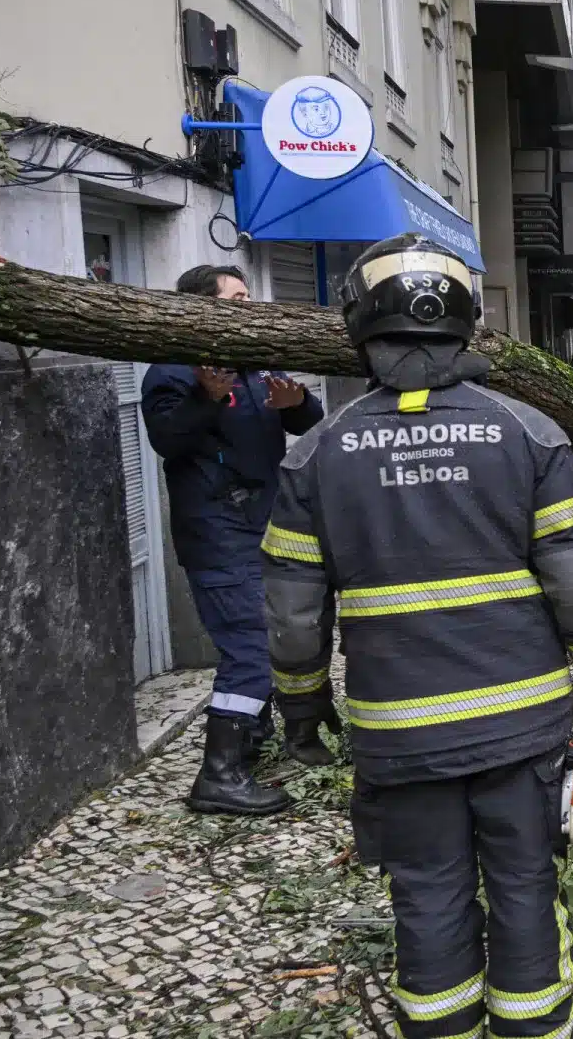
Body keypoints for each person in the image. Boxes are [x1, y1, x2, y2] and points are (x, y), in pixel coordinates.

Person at [261, 233, 573, 1039]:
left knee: (426, 890)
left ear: (360, 323)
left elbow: (293, 614)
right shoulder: (530, 435)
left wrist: (301, 705)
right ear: (466, 323)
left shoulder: (316, 454)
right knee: (526, 882)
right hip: (519, 725)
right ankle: (535, 1027)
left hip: (400, 733)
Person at [142, 264, 327, 816]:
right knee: (249, 647)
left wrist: (295, 403)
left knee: (274, 636)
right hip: (217, 532)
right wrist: (206, 396)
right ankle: (218, 774)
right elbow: (167, 441)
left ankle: (253, 734)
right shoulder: (172, 371)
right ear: (204, 306)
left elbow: (307, 420)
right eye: (238, 297)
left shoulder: (252, 362)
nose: (251, 305)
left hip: (266, 524)